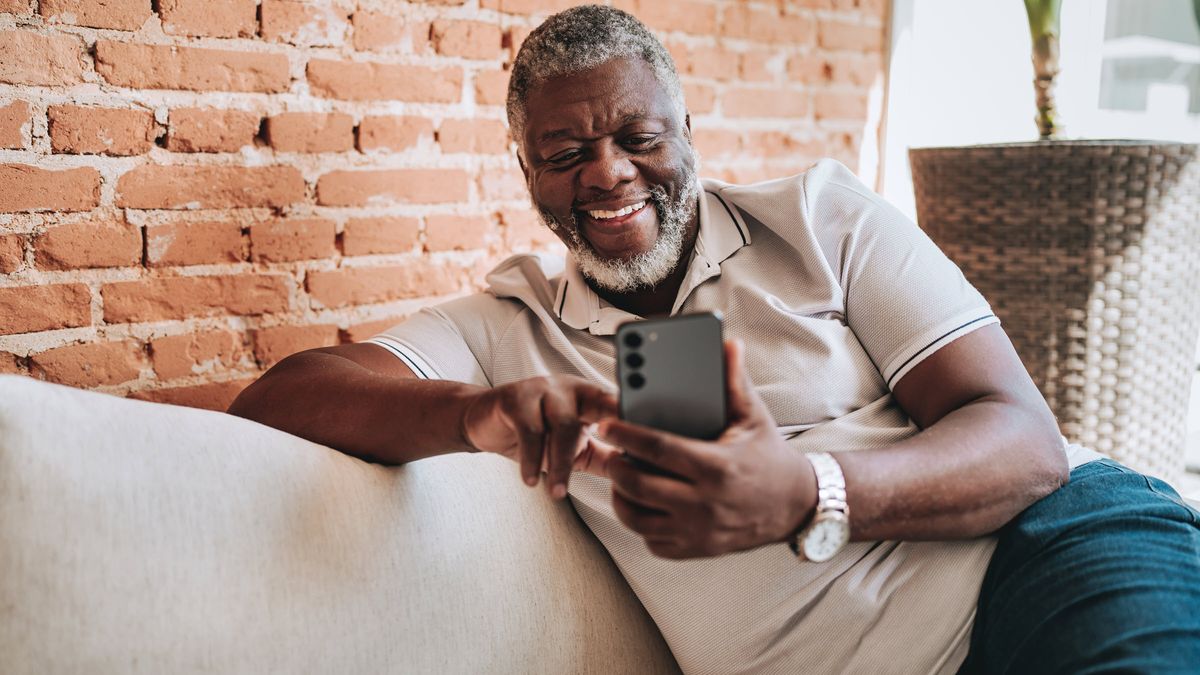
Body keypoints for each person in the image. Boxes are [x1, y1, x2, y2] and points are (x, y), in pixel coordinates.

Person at [228, 5, 1200, 673]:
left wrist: (808, 492)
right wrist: (478, 411)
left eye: (638, 138)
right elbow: (281, 397)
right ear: (525, 171)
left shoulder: (823, 220)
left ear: (687, 127)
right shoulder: (505, 324)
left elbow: (1025, 442)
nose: (607, 176)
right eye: (565, 154)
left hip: (1045, 557)